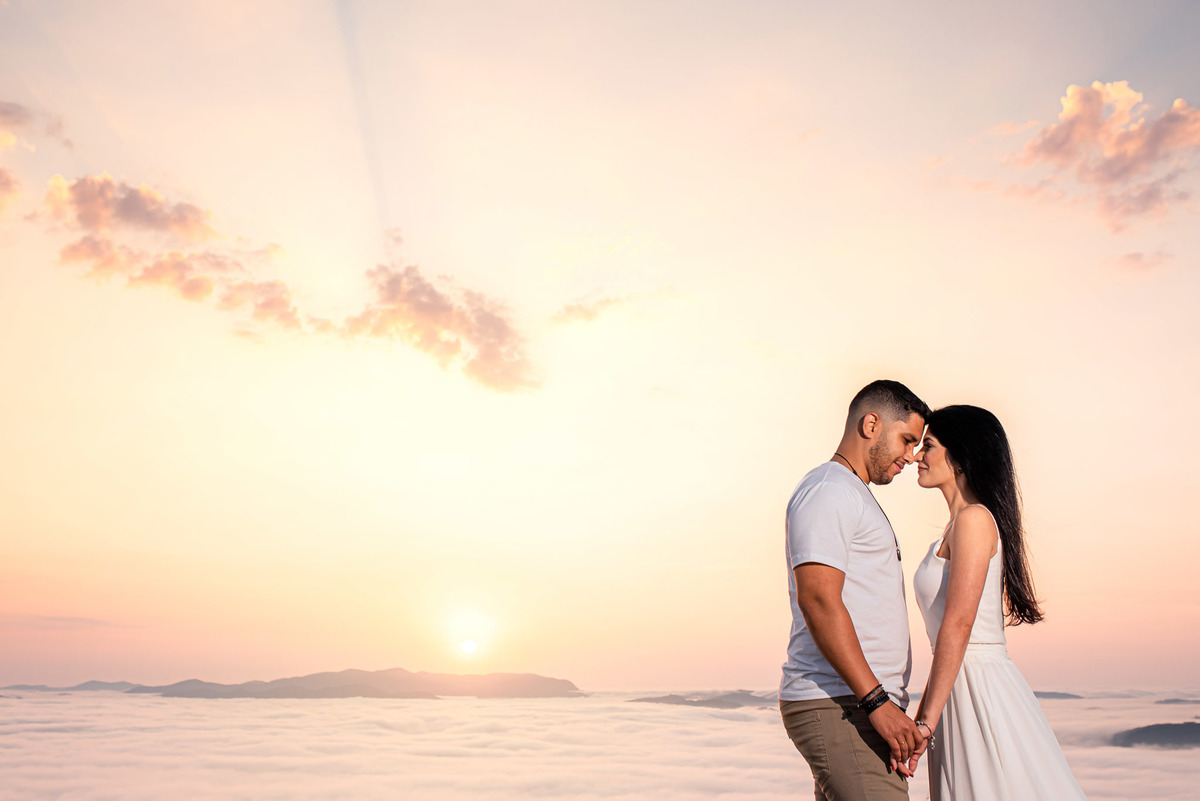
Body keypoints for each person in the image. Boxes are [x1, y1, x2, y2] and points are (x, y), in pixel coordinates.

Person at [908, 405, 1087, 800]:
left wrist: (924, 724)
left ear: (960, 457)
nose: (917, 457)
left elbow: (958, 624)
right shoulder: (957, 526)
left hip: (978, 687)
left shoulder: (974, 521)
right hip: (956, 683)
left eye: (929, 446)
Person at [780, 379, 930, 801]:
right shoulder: (829, 490)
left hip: (854, 703)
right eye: (905, 439)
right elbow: (819, 599)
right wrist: (877, 702)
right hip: (844, 705)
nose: (910, 455)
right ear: (870, 424)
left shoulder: (849, 492)